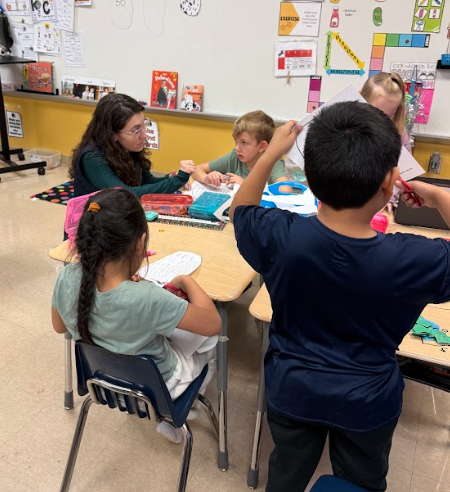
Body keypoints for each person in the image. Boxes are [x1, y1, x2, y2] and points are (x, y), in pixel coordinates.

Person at [229, 101, 450, 492]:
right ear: (388, 185)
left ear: (310, 179)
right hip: (367, 401)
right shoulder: (415, 258)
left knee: (286, 471)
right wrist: (434, 195)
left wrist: (271, 155)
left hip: (292, 387)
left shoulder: (281, 237)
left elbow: (242, 209)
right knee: (361, 481)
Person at [52, 188, 221, 443]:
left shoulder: (67, 276)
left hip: (102, 385)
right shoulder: (147, 296)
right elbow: (213, 324)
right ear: (140, 244)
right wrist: (186, 281)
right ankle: (180, 416)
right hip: (157, 392)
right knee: (211, 343)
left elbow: (59, 326)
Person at [69, 93, 195, 197]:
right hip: (96, 223)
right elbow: (126, 194)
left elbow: (145, 181)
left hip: (118, 214)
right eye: (135, 130)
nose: (144, 135)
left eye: (143, 126)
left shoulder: (128, 147)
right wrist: (177, 181)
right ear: (112, 134)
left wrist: (171, 179)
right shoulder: (91, 158)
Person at [189, 110, 290, 189]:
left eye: (244, 143)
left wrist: (245, 186)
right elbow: (196, 169)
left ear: (262, 146)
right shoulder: (235, 157)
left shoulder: (273, 163)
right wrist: (206, 178)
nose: (237, 148)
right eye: (236, 141)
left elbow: (286, 190)